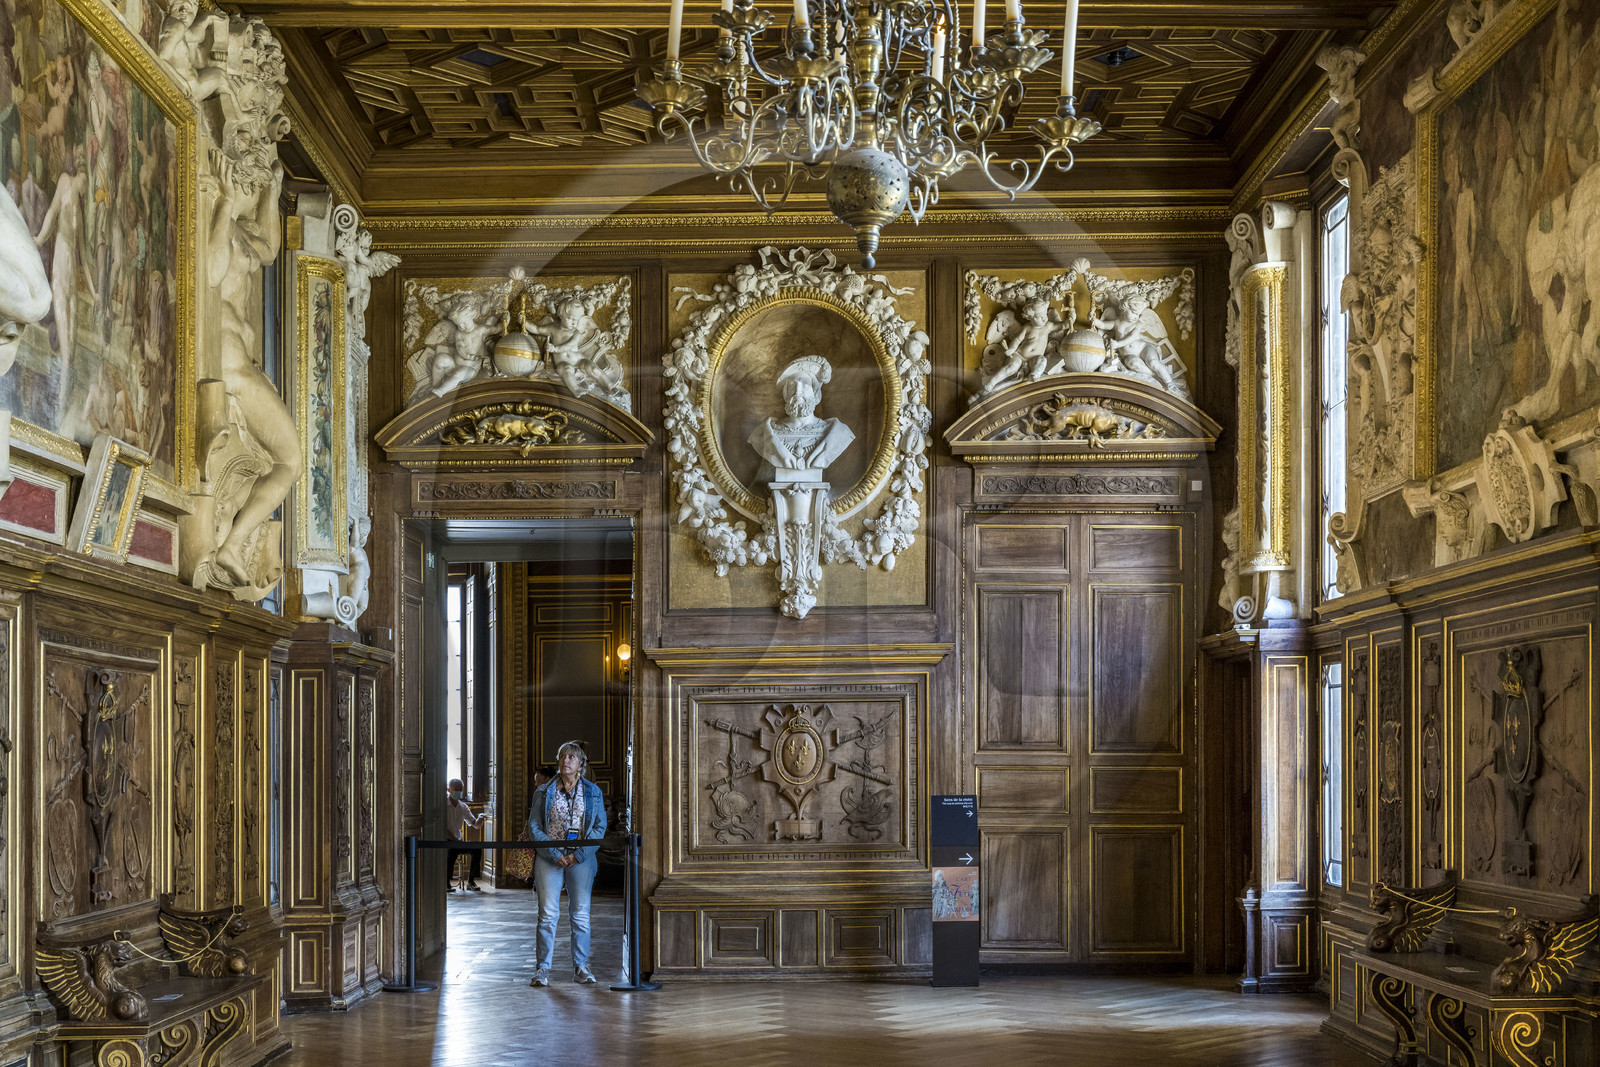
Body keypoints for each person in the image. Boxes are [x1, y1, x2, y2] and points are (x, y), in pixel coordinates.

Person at [527, 741, 606, 987]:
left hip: (580, 858)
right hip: (549, 857)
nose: (565, 760)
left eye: (571, 757)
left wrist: (578, 855)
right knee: (548, 914)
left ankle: (581, 967)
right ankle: (542, 969)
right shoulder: (543, 791)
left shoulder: (593, 792)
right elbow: (534, 826)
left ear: (581, 764)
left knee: (580, 914)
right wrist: (552, 853)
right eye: (562, 756)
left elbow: (599, 827)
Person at [445, 778, 485, 892]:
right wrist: (453, 840)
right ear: (449, 790)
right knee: (451, 851)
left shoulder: (463, 807)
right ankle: (446, 883)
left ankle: (471, 881)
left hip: (458, 842)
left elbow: (475, 825)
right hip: (445, 841)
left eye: (460, 789)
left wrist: (480, 818)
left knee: (477, 849)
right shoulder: (443, 805)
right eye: (456, 789)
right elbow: (442, 828)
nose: (459, 791)